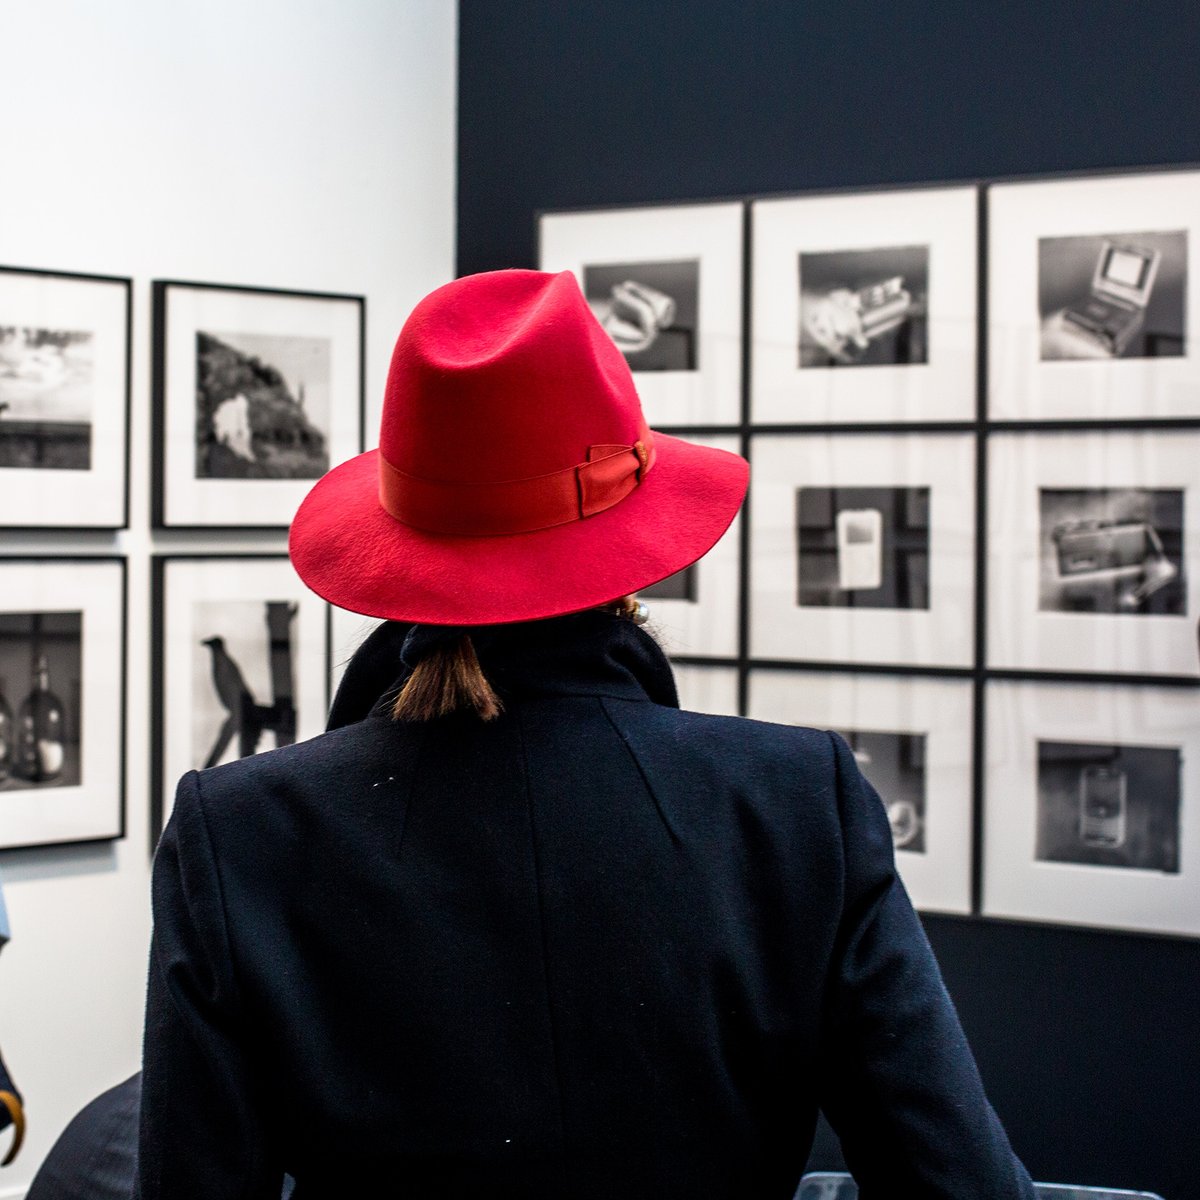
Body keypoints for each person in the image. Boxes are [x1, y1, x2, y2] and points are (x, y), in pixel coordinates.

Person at [129, 269, 1033, 1196]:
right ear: (630, 548)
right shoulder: (796, 802)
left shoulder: (241, 832)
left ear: (405, 550)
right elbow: (958, 1182)